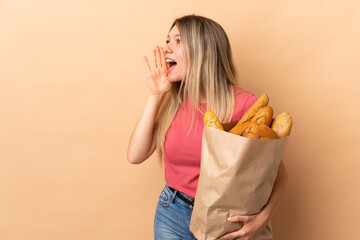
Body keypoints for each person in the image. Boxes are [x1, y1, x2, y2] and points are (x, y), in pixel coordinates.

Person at [127, 15, 288, 240]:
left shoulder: (246, 106)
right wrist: (155, 96)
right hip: (172, 213)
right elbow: (135, 155)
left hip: (226, 221)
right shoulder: (172, 103)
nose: (166, 49)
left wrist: (262, 219)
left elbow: (279, 173)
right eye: (167, 40)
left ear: (204, 50)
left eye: (178, 41)